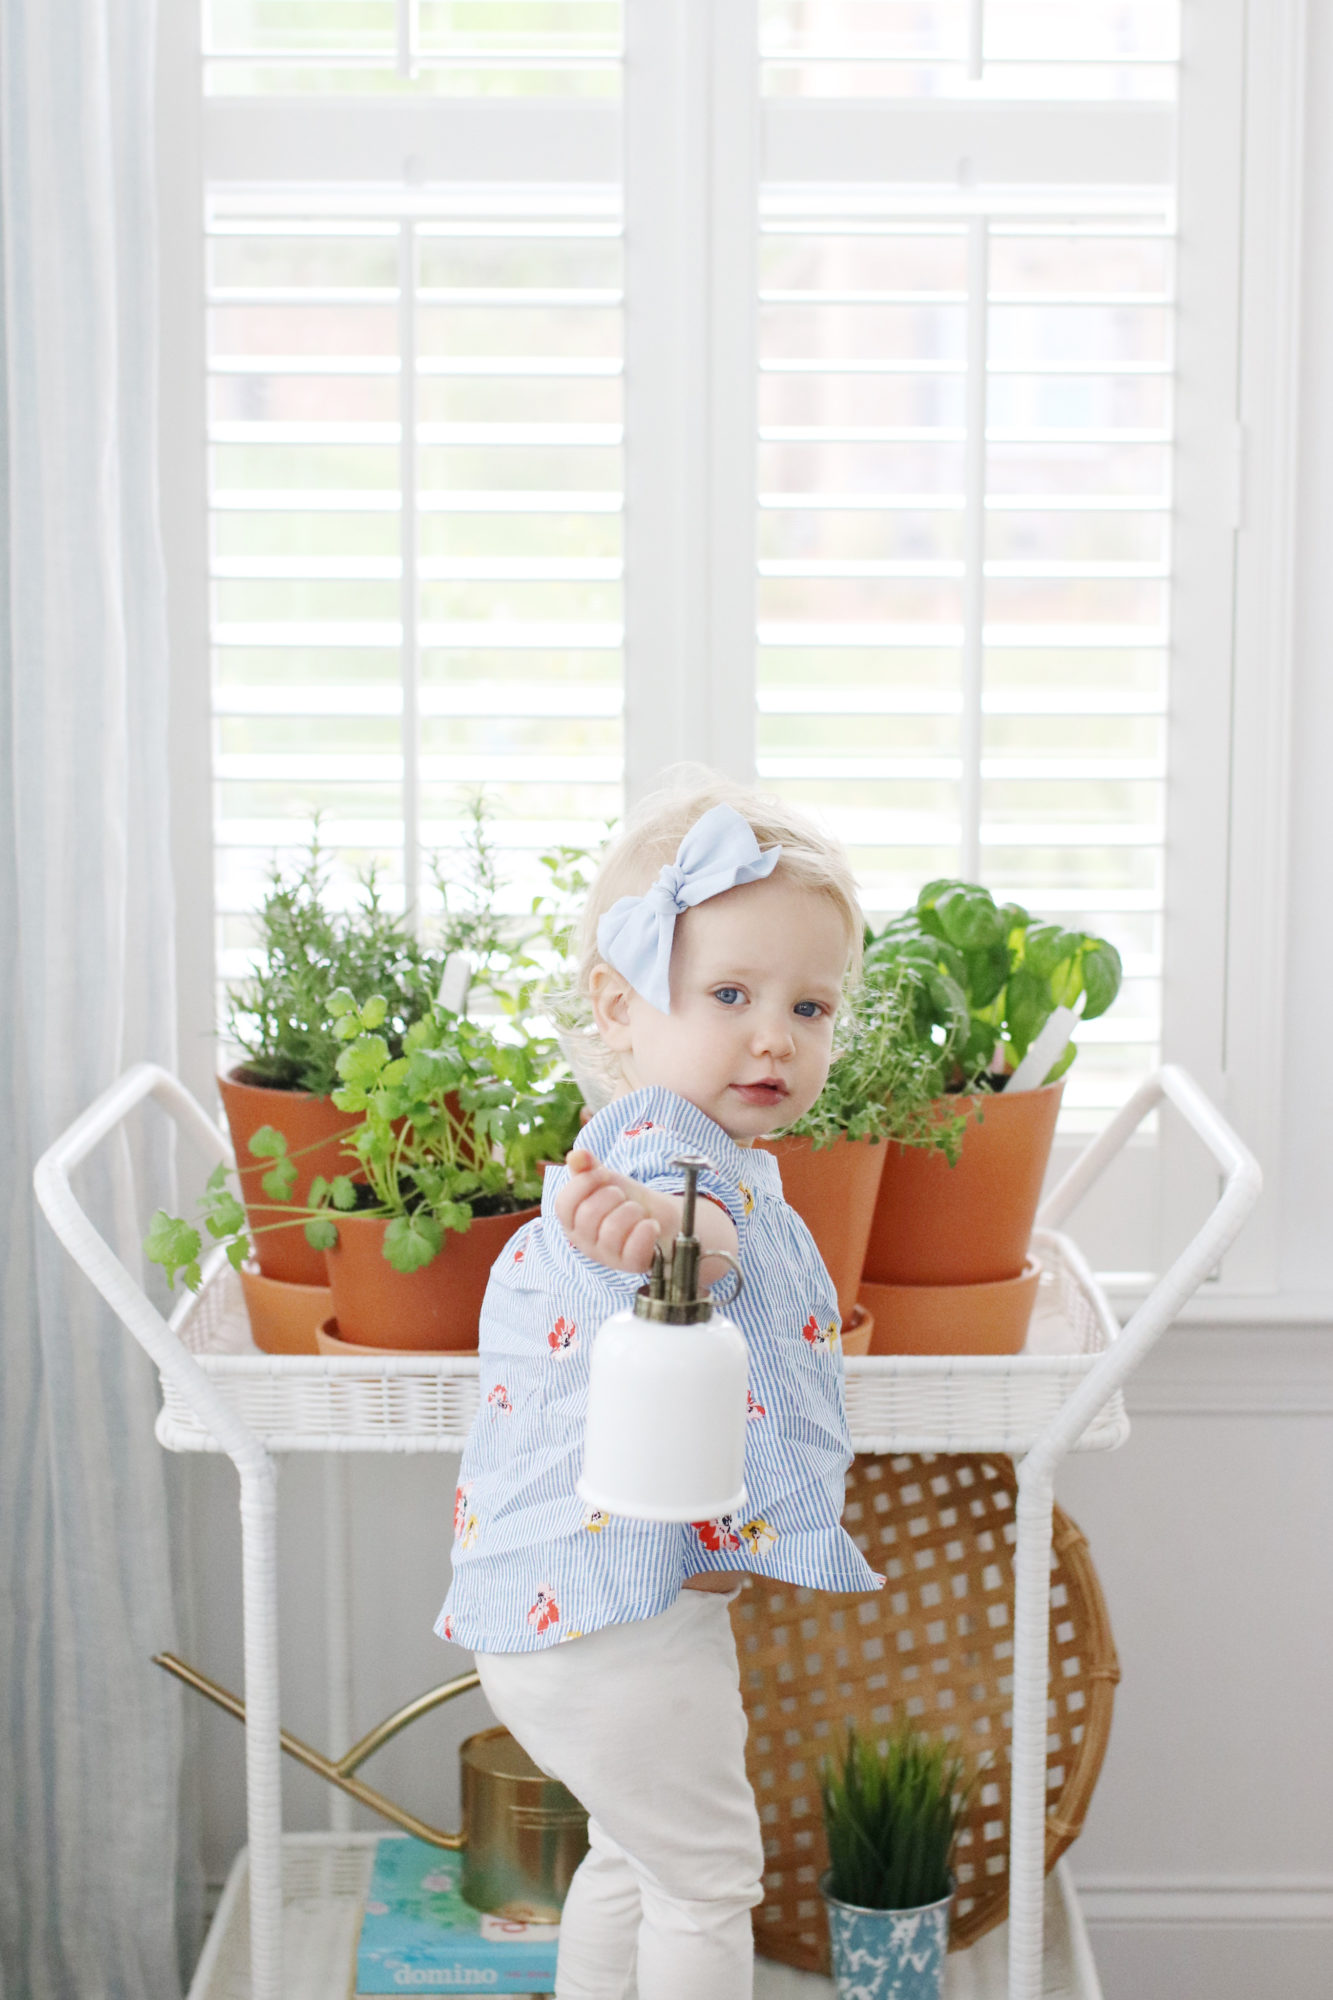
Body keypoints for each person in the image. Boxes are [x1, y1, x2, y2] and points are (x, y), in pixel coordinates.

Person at [436, 773, 884, 2000]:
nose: (774, 1035)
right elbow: (675, 1228)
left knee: (635, 1854)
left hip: (569, 1608)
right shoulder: (663, 1150)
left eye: (809, 1004)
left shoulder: (699, 1154)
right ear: (620, 1004)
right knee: (708, 1878)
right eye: (729, 994)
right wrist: (659, 1243)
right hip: (614, 1616)